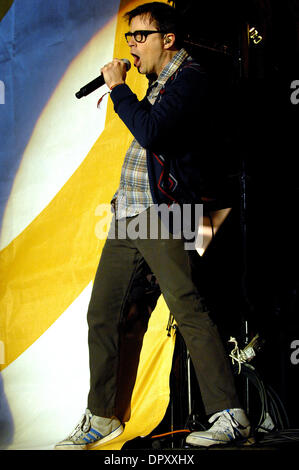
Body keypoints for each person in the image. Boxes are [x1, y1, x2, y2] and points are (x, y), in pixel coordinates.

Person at [55, 2, 250, 450]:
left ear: (168, 39)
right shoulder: (159, 82)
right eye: (129, 38)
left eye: (140, 37)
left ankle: (229, 414)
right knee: (104, 312)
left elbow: (151, 133)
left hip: (165, 212)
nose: (132, 47)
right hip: (128, 212)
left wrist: (120, 89)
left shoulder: (192, 80)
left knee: (188, 308)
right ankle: (103, 416)